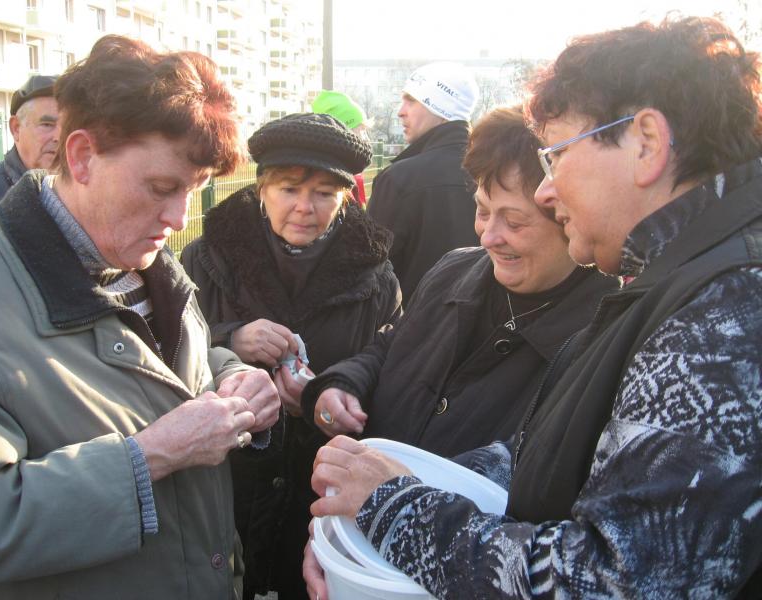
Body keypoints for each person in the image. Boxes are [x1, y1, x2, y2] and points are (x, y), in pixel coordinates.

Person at [306, 16, 762, 599]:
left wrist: (391, 508)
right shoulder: (679, 281)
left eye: (556, 156)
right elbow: (552, 453)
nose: (547, 190)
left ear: (647, 143)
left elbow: (612, 582)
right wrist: (361, 516)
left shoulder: (727, 309)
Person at [0, 35, 281, 599]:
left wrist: (231, 374)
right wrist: (147, 457)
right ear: (82, 155)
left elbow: (161, 373)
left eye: (194, 189)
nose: (179, 216)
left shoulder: (144, 259)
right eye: (161, 187)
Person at [302, 106, 615, 457]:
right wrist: (345, 383)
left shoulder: (602, 338)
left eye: (514, 222)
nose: (488, 237)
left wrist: (403, 485)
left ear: (568, 217)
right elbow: (391, 347)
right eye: (482, 211)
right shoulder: (453, 269)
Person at [180, 112, 401, 600]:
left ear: (345, 197)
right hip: (226, 486)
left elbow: (386, 368)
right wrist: (229, 339)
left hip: (316, 491)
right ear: (261, 188)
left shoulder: (377, 277)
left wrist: (328, 398)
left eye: (323, 193)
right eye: (289, 189)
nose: (305, 207)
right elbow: (162, 351)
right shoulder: (204, 259)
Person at [367, 61, 480, 305]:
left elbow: (367, 274)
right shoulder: (494, 170)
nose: (401, 111)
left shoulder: (400, 179)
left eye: (411, 100)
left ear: (439, 107)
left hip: (412, 321)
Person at [0, 74, 59, 234]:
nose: (59, 137)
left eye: (68, 126)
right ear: (16, 128)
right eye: (47, 125)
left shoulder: (85, 188)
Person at [311, 89, 373, 205]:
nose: (367, 139)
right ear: (345, 133)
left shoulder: (354, 176)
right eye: (362, 131)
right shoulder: (329, 182)